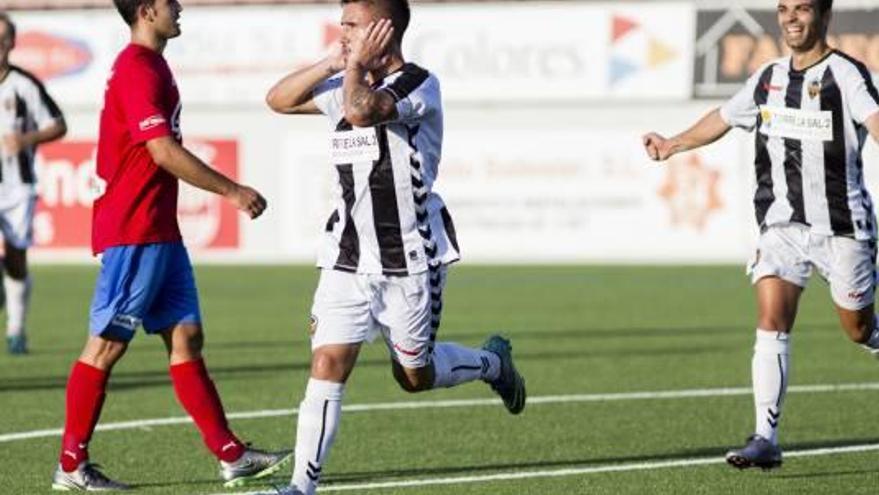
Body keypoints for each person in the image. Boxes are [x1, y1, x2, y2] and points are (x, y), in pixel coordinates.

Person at [263, 0, 526, 493]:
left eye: (353, 24)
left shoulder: (418, 84)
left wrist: (356, 66)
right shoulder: (346, 80)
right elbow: (277, 99)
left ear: (386, 30)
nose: (342, 31)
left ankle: (492, 364)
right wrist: (333, 63)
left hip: (408, 256)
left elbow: (363, 113)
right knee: (327, 363)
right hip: (346, 253)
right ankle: (301, 487)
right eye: (341, 23)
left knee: (414, 376)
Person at [51, 0, 290, 490]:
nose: (178, 7)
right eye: (169, 2)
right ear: (145, 10)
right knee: (105, 347)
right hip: (135, 228)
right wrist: (232, 191)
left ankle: (231, 454)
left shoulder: (153, 63)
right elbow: (161, 150)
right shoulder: (137, 68)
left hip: (160, 230)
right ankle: (72, 464)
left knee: (186, 338)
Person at [643, 0, 879, 471]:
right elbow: (724, 117)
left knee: (858, 330)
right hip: (780, 226)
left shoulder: (847, 75)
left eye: (803, 9)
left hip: (842, 229)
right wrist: (672, 144)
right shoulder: (768, 77)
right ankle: (765, 438)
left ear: (824, 16)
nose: (792, 18)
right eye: (784, 9)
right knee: (771, 321)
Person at [0, 12, 67, 355]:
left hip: (17, 187)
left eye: (3, 39)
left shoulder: (24, 85)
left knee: (16, 259)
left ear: (11, 43)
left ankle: (16, 329)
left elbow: (59, 124)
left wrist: (26, 140)